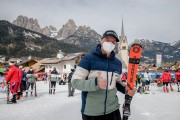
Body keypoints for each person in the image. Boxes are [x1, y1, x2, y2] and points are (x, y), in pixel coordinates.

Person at [71, 30, 136, 120]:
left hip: (113, 111)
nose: (110, 43)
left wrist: (127, 90)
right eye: (107, 39)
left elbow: (117, 83)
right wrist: (96, 83)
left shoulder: (117, 63)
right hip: (92, 113)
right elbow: (75, 82)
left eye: (113, 41)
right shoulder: (88, 58)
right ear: (101, 40)